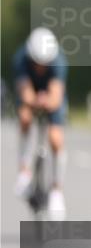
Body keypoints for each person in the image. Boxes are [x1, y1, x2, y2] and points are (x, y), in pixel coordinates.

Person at [12, 27, 69, 219]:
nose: (41, 67)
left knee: (55, 138)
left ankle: (56, 190)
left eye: (45, 64)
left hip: (51, 95)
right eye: (37, 63)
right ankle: (24, 171)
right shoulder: (21, 59)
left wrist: (48, 101)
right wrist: (35, 101)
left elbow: (56, 96)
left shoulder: (59, 62)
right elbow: (25, 91)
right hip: (30, 93)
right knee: (25, 118)